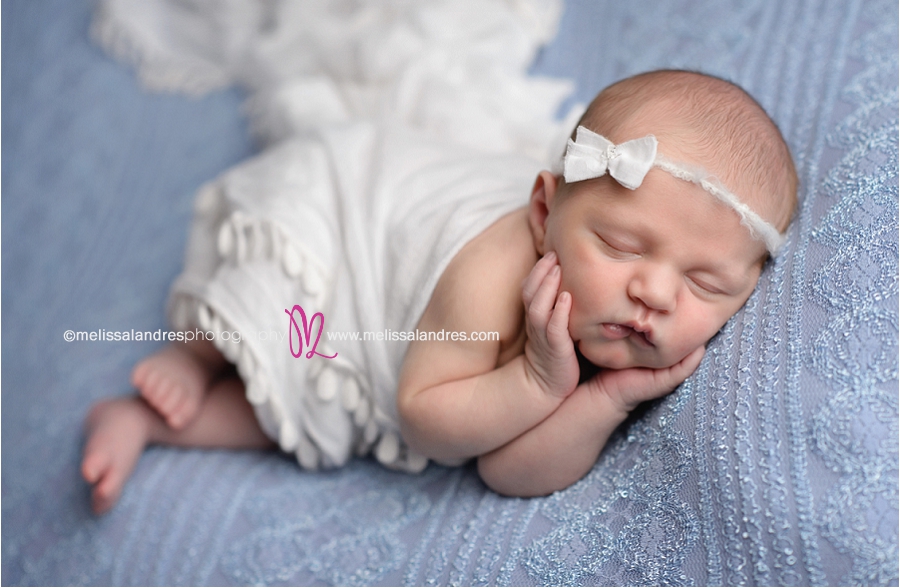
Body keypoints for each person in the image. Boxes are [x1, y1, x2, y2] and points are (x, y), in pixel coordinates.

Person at [82, 70, 797, 514]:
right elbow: (423, 418)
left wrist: (601, 400)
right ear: (545, 215)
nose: (654, 292)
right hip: (347, 218)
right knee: (273, 319)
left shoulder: (619, 323)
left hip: (422, 364)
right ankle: (195, 357)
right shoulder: (491, 275)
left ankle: (143, 423)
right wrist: (539, 378)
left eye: (705, 284)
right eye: (620, 245)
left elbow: (507, 472)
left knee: (307, 421)